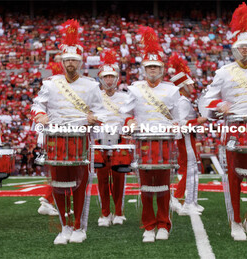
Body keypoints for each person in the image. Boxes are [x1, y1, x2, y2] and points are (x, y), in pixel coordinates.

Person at [199, 2, 247, 241]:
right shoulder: (223, 72)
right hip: (233, 128)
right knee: (233, 178)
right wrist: (218, 106)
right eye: (240, 46)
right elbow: (206, 101)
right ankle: (235, 222)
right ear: (234, 48)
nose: (244, 50)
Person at [31, 20, 108, 245]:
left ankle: (79, 227)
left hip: (80, 138)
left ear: (80, 62)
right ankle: (64, 226)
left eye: (74, 60)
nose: (70, 63)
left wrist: (95, 118)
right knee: (58, 183)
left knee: (80, 184)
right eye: (67, 60)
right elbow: (37, 105)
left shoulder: (91, 85)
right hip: (56, 139)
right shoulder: (51, 83)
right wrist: (40, 116)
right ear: (62, 62)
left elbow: (101, 112)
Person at [119, 26, 180, 243]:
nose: (152, 70)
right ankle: (148, 225)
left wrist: (175, 126)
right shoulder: (135, 88)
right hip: (143, 141)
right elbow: (124, 114)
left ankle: (164, 224)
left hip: (164, 142)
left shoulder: (172, 89)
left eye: (155, 66)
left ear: (162, 69)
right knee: (145, 185)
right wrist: (130, 121)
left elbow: (179, 117)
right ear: (144, 69)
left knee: (164, 185)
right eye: (149, 66)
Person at [167, 52, 207, 216]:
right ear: (183, 87)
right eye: (189, 85)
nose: (193, 87)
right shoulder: (182, 102)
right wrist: (198, 122)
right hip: (185, 138)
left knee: (191, 169)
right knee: (190, 169)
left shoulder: (183, 101)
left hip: (188, 138)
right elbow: (180, 124)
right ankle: (183, 200)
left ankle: (190, 201)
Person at [95, 49, 129, 227]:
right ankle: (104, 213)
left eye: (112, 77)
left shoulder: (125, 97)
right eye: (106, 77)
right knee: (101, 179)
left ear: (116, 79)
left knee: (118, 178)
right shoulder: (94, 97)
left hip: (119, 140)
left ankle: (119, 212)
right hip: (100, 141)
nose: (109, 80)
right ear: (101, 79)